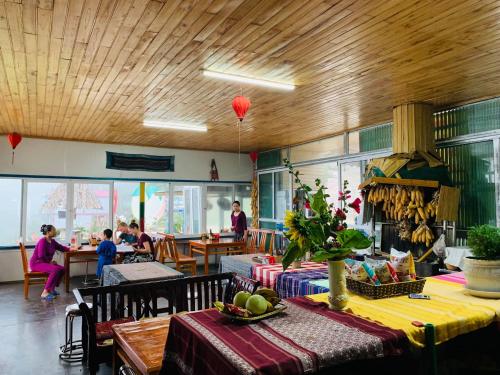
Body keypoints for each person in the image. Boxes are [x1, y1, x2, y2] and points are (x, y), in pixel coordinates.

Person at [30, 224, 70, 301]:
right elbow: (41, 255)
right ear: (48, 232)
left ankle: (52, 288)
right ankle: (45, 292)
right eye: (53, 230)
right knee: (55, 269)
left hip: (45, 262)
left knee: (62, 269)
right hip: (37, 263)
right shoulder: (42, 241)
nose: (55, 231)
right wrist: (50, 262)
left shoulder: (52, 241)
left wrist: (71, 249)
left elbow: (61, 248)